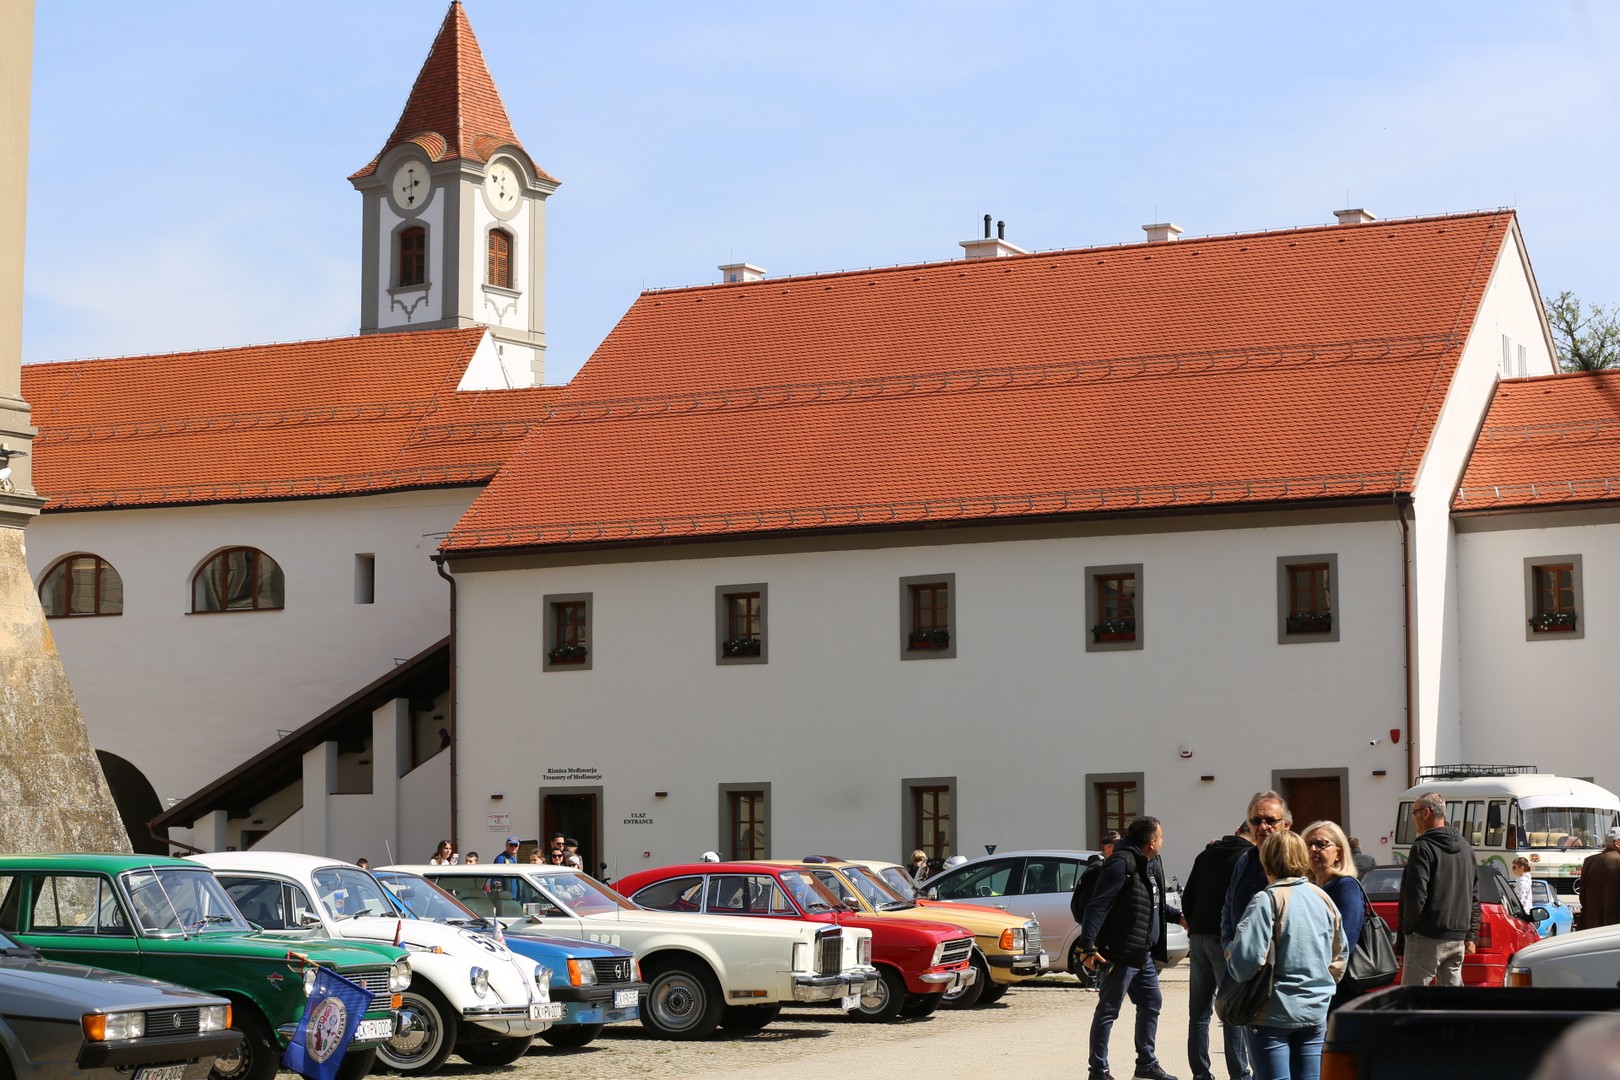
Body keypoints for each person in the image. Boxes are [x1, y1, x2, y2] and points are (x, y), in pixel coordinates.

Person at [1226, 831, 1346, 1080]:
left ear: (1266, 862)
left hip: (1272, 1013)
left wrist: (1232, 956)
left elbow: (1244, 964)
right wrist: (1321, 987)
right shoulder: (1322, 898)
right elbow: (1340, 955)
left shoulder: (1266, 900)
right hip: (1314, 1011)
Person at [1076, 815, 1181, 1080]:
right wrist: (1087, 947)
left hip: (1142, 952)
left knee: (1151, 1001)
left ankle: (1146, 1064)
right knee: (1109, 1009)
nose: (1163, 841)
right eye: (1161, 836)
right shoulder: (1121, 864)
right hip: (1120, 952)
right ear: (1151, 841)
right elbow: (1097, 905)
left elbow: (1152, 903)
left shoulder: (1149, 864)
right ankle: (1098, 1070)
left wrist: (1178, 917)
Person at [1181, 821, 1254, 1080]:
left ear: (1236, 831)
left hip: (1199, 937)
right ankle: (1239, 1075)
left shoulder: (1206, 854)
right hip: (1225, 941)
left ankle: (1201, 1073)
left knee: (1199, 1012)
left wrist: (1193, 926)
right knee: (1232, 1010)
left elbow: (1186, 895)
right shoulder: (1249, 857)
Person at [1398, 792, 1480, 986]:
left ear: (1426, 813)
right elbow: (1474, 895)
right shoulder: (1466, 848)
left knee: (1412, 1002)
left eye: (1414, 812)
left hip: (1426, 936)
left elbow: (1415, 896)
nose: (1412, 818)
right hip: (1457, 937)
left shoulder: (1423, 847)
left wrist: (1406, 932)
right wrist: (1471, 935)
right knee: (1451, 1005)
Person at [1301, 821, 1365, 1012]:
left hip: (1338, 987)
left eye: (1321, 844)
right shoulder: (1309, 887)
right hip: (1315, 984)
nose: (1313, 849)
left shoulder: (1346, 886)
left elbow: (1346, 940)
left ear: (1339, 853)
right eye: (1308, 844)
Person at [1222, 791, 1292, 948]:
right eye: (1256, 821)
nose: (1263, 826)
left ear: (1286, 825)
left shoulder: (1296, 863)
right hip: (1242, 959)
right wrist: (1228, 943)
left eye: (1271, 820)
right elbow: (1229, 904)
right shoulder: (1244, 861)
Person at [1574, 827, 1620, 931]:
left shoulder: (1589, 861)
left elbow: (1583, 896)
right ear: (1617, 843)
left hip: (1592, 926)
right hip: (1615, 928)